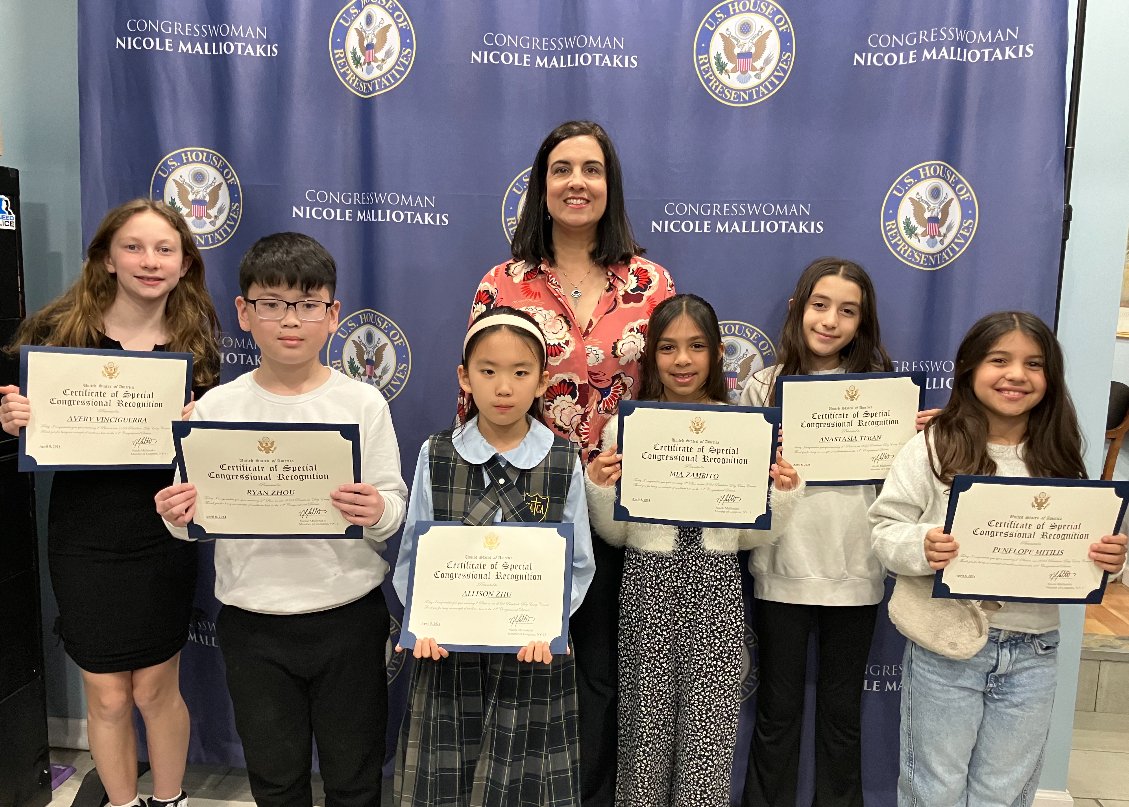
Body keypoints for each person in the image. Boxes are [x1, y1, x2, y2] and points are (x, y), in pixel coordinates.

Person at [154, 232, 407, 807]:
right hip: (253, 620)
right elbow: (185, 517)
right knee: (275, 779)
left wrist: (375, 510)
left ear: (332, 314)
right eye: (270, 304)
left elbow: (393, 510)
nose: (289, 320)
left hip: (347, 616)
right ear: (244, 313)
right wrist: (174, 514)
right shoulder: (216, 407)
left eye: (308, 305)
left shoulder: (362, 403)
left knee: (354, 777)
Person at [466, 120, 675, 805]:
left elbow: (674, 392)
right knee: (522, 663)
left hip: (616, 506)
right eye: (561, 169)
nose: (576, 182)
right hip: (526, 502)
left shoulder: (650, 281)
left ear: (609, 185)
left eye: (590, 169)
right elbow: (472, 403)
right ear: (541, 185)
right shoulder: (504, 280)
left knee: (601, 674)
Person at [0, 198, 221, 807]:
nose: (149, 261)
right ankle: (124, 804)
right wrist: (12, 419)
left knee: (155, 690)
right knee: (107, 695)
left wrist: (202, 427)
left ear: (183, 265)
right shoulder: (57, 335)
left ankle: (168, 800)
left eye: (164, 249)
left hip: (163, 532)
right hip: (84, 533)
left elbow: (210, 454)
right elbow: (22, 424)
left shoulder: (198, 345)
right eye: (134, 247)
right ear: (105, 259)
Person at [869, 311, 1128, 806]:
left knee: (1005, 791)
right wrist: (924, 544)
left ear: (1050, 377)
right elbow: (884, 530)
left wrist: (1110, 557)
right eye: (999, 360)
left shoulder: (1061, 456)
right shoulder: (931, 446)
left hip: (1035, 652)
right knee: (933, 787)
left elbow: (1092, 543)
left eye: (1034, 364)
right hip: (946, 645)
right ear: (968, 368)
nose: (1016, 375)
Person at [584, 294, 799, 806]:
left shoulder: (743, 428)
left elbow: (750, 537)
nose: (682, 360)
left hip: (716, 588)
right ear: (651, 355)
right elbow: (616, 535)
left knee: (709, 739)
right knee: (644, 730)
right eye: (669, 348)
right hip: (646, 588)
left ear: (718, 353)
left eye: (697, 346)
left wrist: (784, 496)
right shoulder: (626, 427)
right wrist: (598, 487)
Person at [738, 257, 935, 807]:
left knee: (842, 712)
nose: (831, 321)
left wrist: (929, 432)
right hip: (782, 570)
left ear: (862, 322)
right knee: (778, 711)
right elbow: (737, 481)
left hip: (857, 567)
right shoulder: (764, 386)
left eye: (848, 311)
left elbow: (909, 481)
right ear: (799, 309)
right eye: (820, 306)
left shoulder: (886, 393)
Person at [393, 306, 595, 806]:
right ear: (465, 377)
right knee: (445, 780)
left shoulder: (563, 460)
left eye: (520, 373)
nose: (503, 388)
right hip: (447, 655)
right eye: (488, 371)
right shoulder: (435, 453)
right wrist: (423, 621)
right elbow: (414, 551)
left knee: (525, 784)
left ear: (543, 381)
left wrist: (549, 623)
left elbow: (579, 561)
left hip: (532, 653)